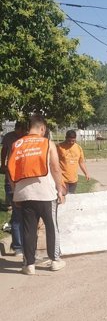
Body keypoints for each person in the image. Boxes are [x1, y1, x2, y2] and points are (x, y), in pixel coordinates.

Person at [7, 115, 66, 275]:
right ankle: (55, 261)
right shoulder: (48, 143)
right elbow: (55, 168)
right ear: (42, 128)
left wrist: (15, 193)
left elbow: (10, 171)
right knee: (52, 226)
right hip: (46, 194)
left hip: (24, 195)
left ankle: (29, 265)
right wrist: (60, 189)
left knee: (28, 229)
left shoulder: (17, 144)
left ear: (29, 128)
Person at [0, 122, 25, 256]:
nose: (22, 133)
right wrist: (3, 164)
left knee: (22, 215)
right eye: (21, 130)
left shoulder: (26, 138)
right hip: (11, 182)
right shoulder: (9, 137)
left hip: (23, 182)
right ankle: (18, 246)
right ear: (17, 129)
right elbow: (4, 151)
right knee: (17, 215)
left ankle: (23, 244)